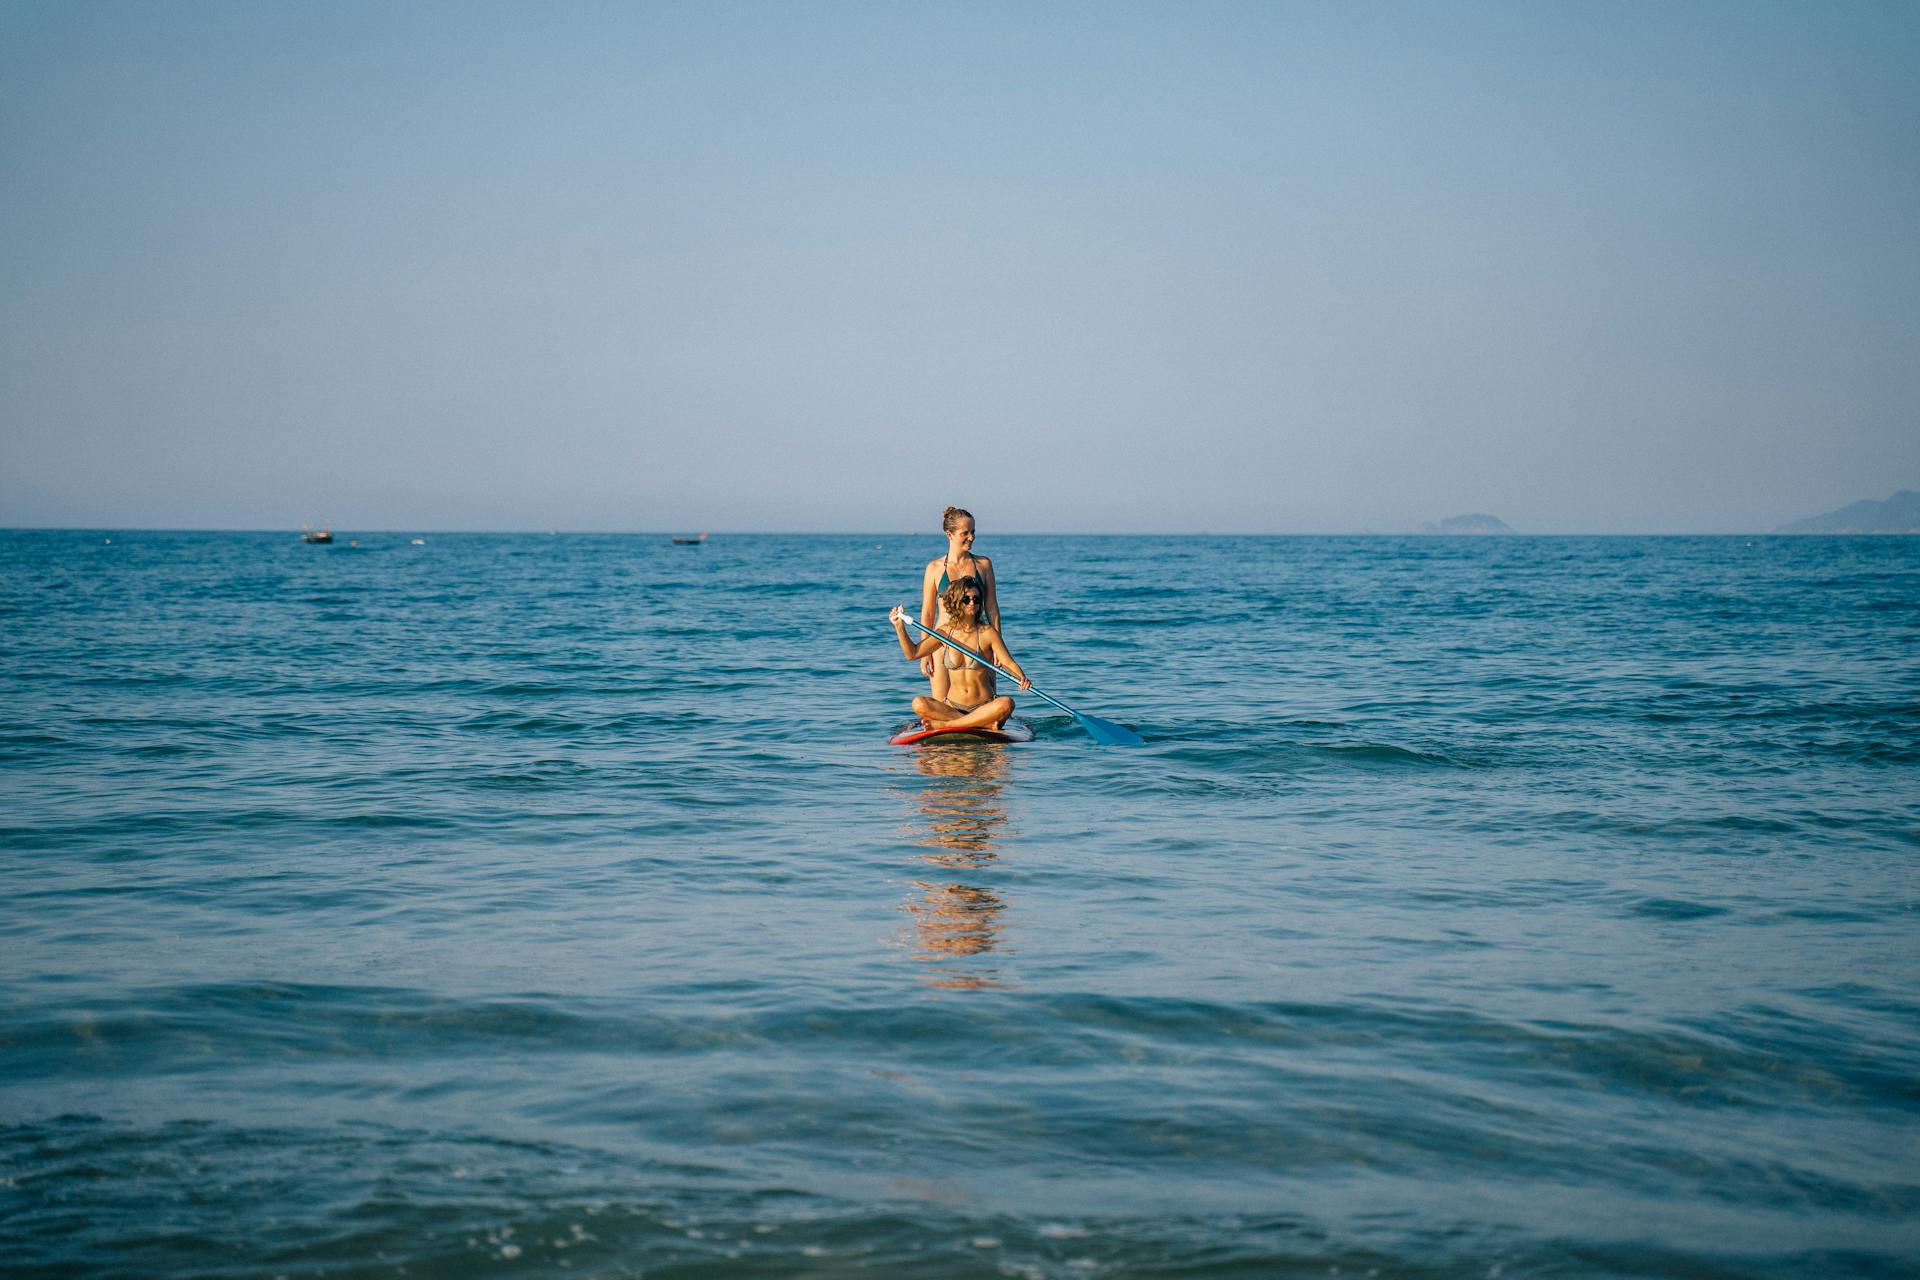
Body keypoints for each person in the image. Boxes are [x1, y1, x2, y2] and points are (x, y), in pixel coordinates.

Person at [890, 576, 1029, 731]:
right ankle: (979, 723)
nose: (972, 603)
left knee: (1006, 703)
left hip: (983, 706)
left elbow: (1007, 662)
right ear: (956, 601)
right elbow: (913, 653)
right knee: (918, 703)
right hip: (953, 708)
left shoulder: (988, 633)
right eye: (966, 599)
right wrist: (899, 628)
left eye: (976, 599)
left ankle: (948, 725)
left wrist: (1021, 677)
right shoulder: (944, 633)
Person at [919, 507, 1000, 702]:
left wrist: (998, 646)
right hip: (942, 641)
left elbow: (992, 608)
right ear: (949, 534)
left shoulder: (983, 565)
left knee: (985, 699)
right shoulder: (934, 569)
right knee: (941, 702)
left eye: (973, 532)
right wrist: (924, 652)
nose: (971, 537)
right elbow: (928, 613)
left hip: (978, 640)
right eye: (965, 533)